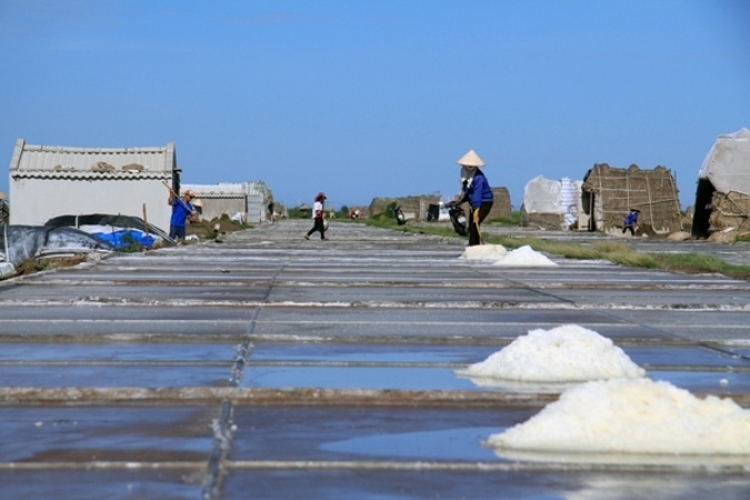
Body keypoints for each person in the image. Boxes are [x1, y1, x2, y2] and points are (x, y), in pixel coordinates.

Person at [454, 150, 493, 246]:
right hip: (474, 200)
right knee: (472, 225)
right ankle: (474, 245)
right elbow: (467, 189)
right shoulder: (465, 174)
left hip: (484, 202)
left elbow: (477, 194)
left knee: (475, 223)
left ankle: (472, 246)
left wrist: (476, 210)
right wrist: (462, 200)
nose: (469, 167)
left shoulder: (479, 178)